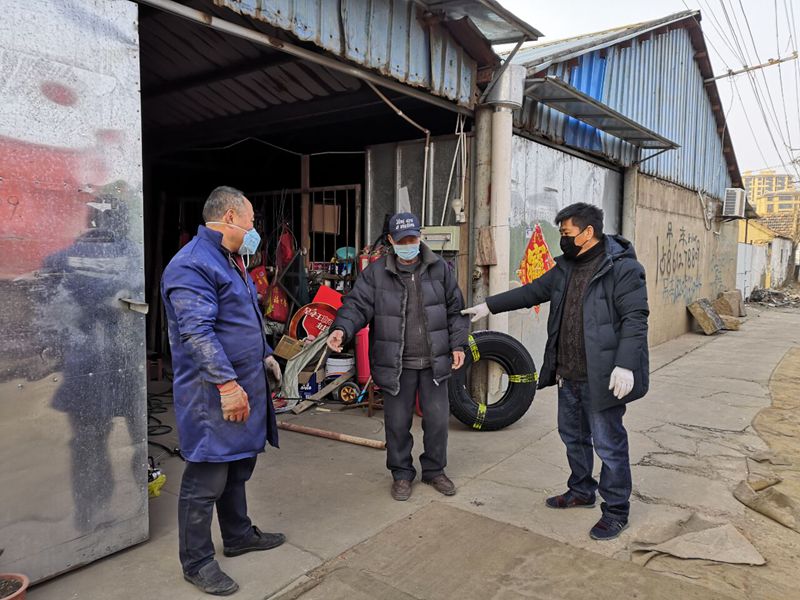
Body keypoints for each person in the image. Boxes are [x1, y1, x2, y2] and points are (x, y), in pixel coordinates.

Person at [462, 203, 649, 541]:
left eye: (566, 233)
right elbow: (531, 292)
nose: (562, 239)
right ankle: (581, 490)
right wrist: (488, 305)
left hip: (603, 375)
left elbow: (635, 319)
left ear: (587, 232)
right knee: (573, 437)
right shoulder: (565, 268)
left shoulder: (623, 269)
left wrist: (625, 364)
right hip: (568, 372)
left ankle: (616, 510)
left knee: (609, 445)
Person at [162, 186, 284, 595]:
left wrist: (265, 354)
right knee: (207, 476)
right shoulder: (193, 264)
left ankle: (237, 535)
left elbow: (242, 318)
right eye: (251, 221)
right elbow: (197, 333)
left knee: (236, 465)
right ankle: (196, 562)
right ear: (230, 217)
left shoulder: (230, 260)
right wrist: (228, 385)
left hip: (243, 383)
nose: (254, 229)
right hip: (211, 392)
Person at [328, 212, 469, 501]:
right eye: (402, 241)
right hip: (396, 363)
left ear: (420, 237)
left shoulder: (440, 269)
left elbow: (456, 311)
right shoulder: (376, 274)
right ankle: (402, 473)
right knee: (397, 424)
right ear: (391, 241)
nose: (408, 245)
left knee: (437, 421)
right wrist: (342, 329)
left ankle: (434, 470)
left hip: (434, 361)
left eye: (412, 239)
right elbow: (356, 305)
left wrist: (457, 345)